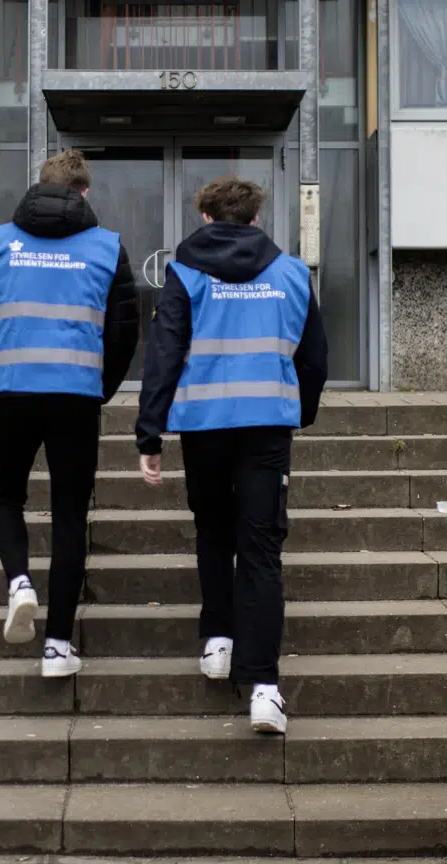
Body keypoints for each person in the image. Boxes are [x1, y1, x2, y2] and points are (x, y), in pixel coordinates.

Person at [135, 175, 328, 734]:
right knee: (262, 549)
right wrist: (302, 409)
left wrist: (150, 433)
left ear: (206, 219)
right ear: (255, 219)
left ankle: (218, 640)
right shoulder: (291, 273)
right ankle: (264, 687)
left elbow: (164, 351)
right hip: (267, 426)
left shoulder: (187, 272)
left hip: (205, 427)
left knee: (214, 533)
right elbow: (314, 356)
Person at [0, 149, 139, 678]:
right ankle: (57, 646)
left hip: (11, 392)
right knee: (69, 516)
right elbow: (126, 332)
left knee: (6, 496)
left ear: (40, 187)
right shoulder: (106, 248)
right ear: (83, 192)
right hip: (75, 398)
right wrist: (98, 389)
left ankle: (18, 582)